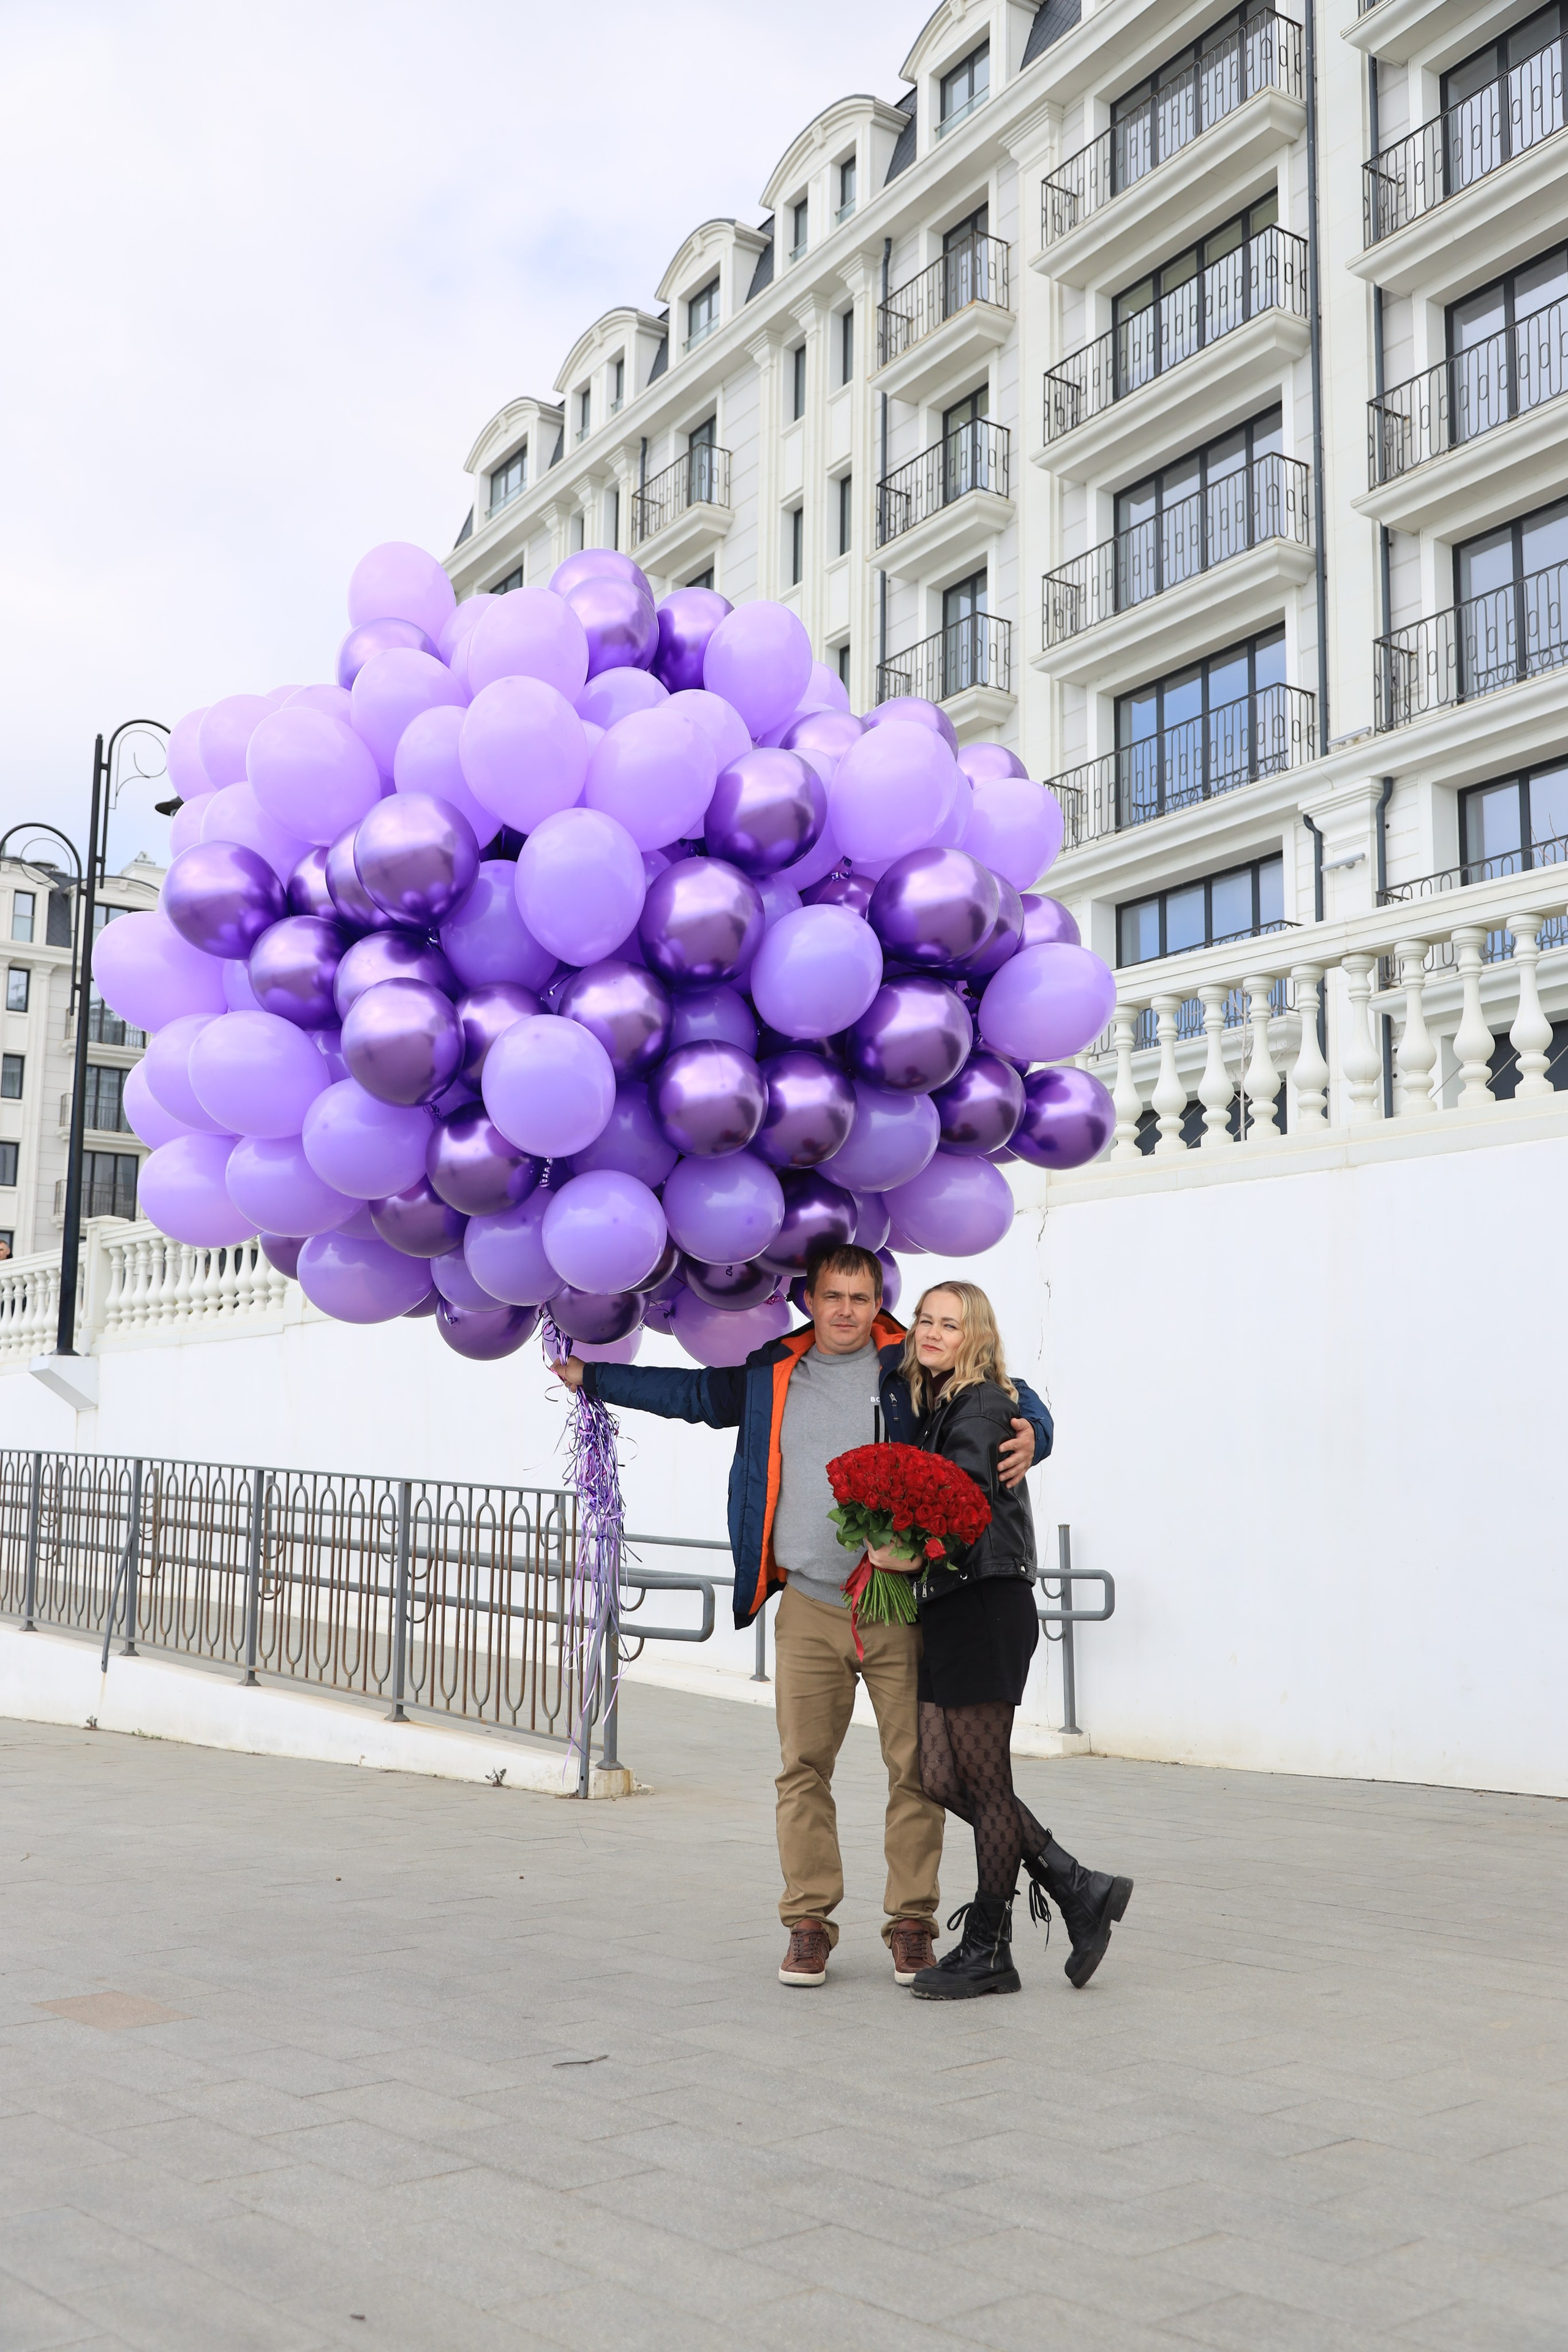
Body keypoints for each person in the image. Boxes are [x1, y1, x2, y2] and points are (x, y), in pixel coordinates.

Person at [552, 1241, 1054, 1988]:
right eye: (833, 1297)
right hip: (811, 1607)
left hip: (898, 1607)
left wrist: (1038, 1431)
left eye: (860, 1297)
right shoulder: (771, 1373)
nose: (846, 1311)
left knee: (915, 1771)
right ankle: (809, 1922)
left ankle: (911, 1923)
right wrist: (594, 1376)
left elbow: (998, 1388)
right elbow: (692, 1394)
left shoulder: (907, 1368)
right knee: (801, 1771)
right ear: (809, 1301)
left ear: (876, 1301)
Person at [871, 1280, 1133, 2000]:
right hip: (952, 1604)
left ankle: (990, 1947)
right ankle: (1077, 1884)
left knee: (986, 1785)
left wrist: (905, 1552)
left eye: (947, 1325)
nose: (929, 1333)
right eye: (923, 1320)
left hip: (984, 1599)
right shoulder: (940, 1402)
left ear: (975, 1336)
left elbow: (958, 1505)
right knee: (940, 1776)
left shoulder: (983, 1404)